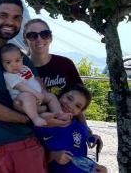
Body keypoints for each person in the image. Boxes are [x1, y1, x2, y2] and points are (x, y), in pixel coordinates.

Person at [0, 0, 68, 172]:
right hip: (11, 147)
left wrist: (49, 114)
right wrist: (30, 119)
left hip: (29, 142)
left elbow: (40, 89)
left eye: (16, 17)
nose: (10, 22)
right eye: (3, 15)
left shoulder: (15, 54)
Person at [23, 18, 103, 152]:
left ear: (50, 37)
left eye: (44, 34)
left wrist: (87, 132)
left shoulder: (65, 64)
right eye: (32, 35)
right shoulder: (21, 69)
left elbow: (79, 102)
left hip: (68, 132)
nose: (39, 39)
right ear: (25, 40)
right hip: (36, 135)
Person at [34, 84, 108, 173]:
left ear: (80, 112)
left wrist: (97, 167)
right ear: (60, 95)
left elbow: (81, 158)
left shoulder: (80, 128)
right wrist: (53, 155)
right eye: (69, 98)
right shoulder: (41, 124)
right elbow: (31, 159)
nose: (70, 106)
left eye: (77, 106)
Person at [1, 43, 71, 126]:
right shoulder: (8, 75)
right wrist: (37, 94)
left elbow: (33, 81)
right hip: (21, 100)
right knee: (26, 96)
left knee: (51, 96)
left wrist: (42, 92)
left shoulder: (25, 68)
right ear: (2, 64)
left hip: (37, 96)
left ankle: (58, 114)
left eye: (17, 60)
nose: (14, 65)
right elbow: (21, 86)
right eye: (8, 62)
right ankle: (35, 118)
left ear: (22, 59)